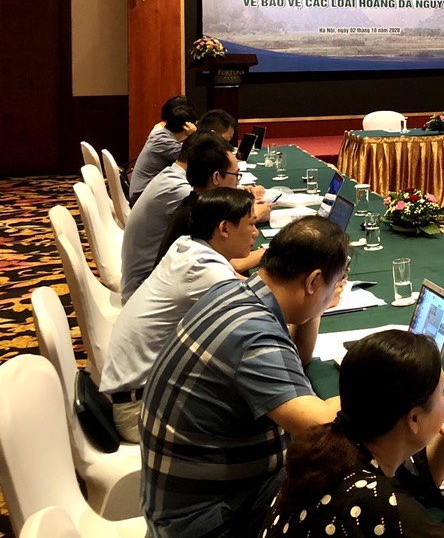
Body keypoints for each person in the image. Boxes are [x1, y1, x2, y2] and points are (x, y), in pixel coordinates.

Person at [140, 216, 349, 538]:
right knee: (349, 479)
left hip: (189, 498)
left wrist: (317, 304)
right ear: (312, 281)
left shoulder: (232, 291)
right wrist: (394, 385)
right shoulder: (254, 336)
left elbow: (299, 355)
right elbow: (320, 426)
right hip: (205, 521)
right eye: (336, 282)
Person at [261, 331, 444, 538]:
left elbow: (413, 482)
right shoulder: (374, 501)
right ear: (413, 419)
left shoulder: (335, 445)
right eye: (441, 393)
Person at [100, 187, 258, 442]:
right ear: (224, 228)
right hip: (140, 411)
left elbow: (239, 283)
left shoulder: (187, 246)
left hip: (140, 393)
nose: (255, 232)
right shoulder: (205, 271)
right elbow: (260, 312)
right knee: (259, 415)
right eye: (251, 224)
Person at [121, 132, 265, 303]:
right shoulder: (196, 216)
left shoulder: (192, 203)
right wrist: (269, 253)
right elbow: (235, 268)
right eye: (236, 176)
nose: (238, 183)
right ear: (216, 177)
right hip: (142, 287)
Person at [129, 95, 196, 203]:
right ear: (187, 126)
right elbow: (195, 158)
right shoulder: (164, 141)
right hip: (142, 197)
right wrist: (194, 135)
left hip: (145, 195)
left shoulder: (162, 135)